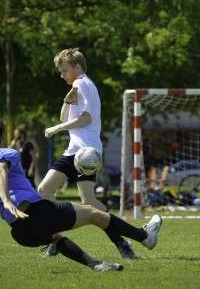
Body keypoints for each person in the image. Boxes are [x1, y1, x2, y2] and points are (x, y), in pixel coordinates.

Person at [0, 116, 163, 271]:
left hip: (20, 233)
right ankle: (144, 236)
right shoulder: (7, 153)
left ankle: (96, 265)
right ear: (2, 137)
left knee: (56, 237)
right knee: (94, 213)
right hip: (38, 213)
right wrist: (6, 200)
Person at [38, 48, 136, 259]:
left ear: (76, 67)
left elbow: (86, 119)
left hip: (85, 152)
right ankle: (56, 239)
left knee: (85, 200)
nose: (61, 74)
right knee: (46, 190)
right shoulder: (77, 85)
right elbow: (66, 119)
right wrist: (66, 100)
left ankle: (122, 239)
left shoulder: (82, 83)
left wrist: (56, 129)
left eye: (64, 70)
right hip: (75, 149)